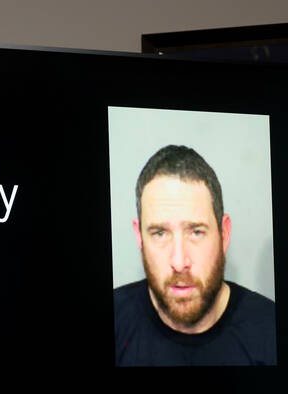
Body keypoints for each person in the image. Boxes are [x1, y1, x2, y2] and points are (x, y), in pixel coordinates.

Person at [114, 144, 276, 366]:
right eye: (160, 233)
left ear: (224, 234)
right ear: (139, 236)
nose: (180, 262)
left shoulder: (272, 331)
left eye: (196, 232)